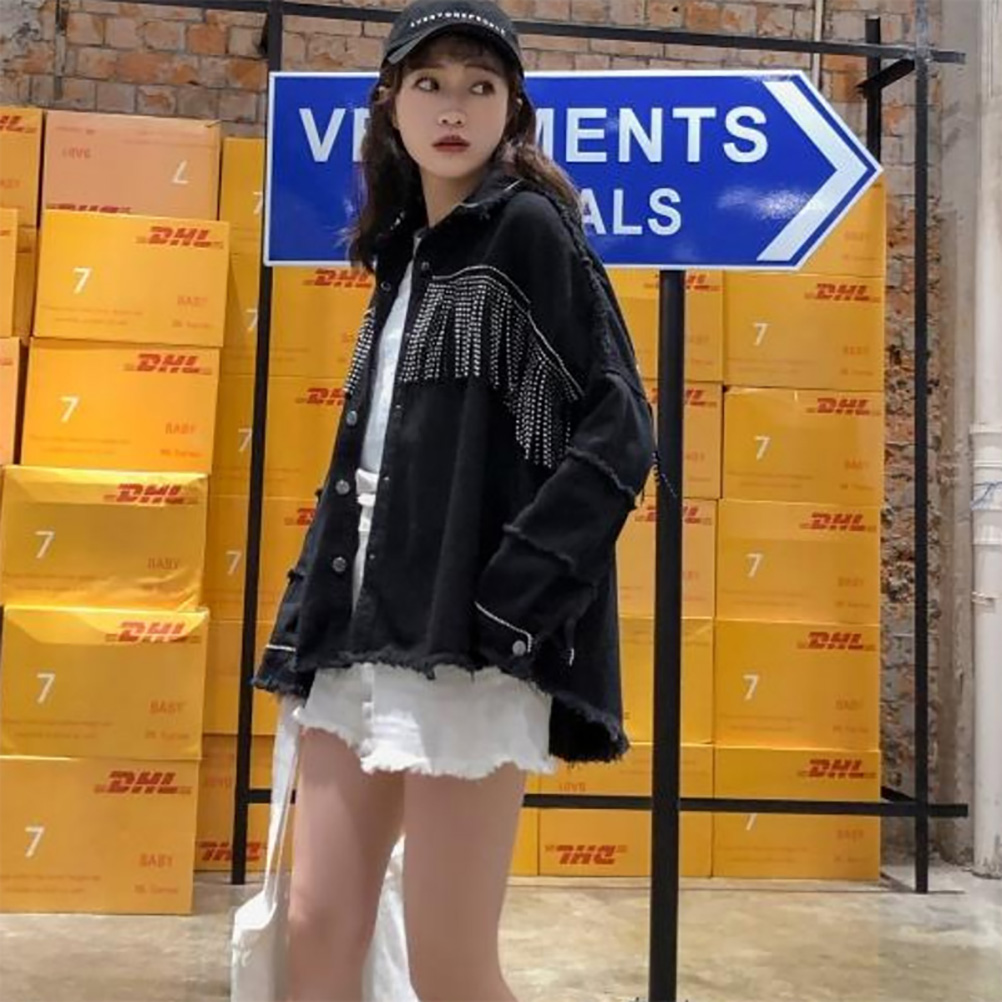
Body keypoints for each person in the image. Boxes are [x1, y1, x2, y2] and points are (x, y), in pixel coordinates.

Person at [253, 1, 655, 999]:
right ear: (390, 105)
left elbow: (621, 428)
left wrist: (514, 597)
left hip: (466, 644)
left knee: (451, 963)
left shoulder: (528, 230)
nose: (453, 107)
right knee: (315, 926)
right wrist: (308, 611)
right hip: (360, 624)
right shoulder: (404, 253)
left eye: (480, 86)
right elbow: (371, 461)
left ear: (511, 109)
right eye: (429, 83)